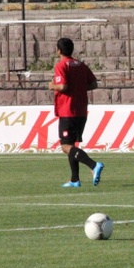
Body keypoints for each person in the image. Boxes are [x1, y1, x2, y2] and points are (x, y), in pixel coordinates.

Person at [48, 37, 104, 188]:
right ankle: (74, 180)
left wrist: (52, 86)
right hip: (81, 110)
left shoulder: (61, 65)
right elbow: (93, 84)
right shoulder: (80, 65)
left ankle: (94, 165)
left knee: (66, 146)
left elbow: (63, 86)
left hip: (68, 110)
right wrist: (78, 88)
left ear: (58, 50)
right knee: (72, 145)